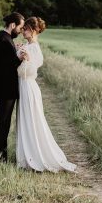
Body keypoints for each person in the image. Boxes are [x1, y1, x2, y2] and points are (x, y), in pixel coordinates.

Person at [16, 16, 77, 172]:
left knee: (32, 120)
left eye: (26, 28)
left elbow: (28, 71)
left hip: (28, 85)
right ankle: (26, 156)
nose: (23, 31)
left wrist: (25, 59)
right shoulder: (28, 46)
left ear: (34, 30)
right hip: (24, 86)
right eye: (23, 28)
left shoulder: (34, 48)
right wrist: (18, 53)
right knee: (25, 120)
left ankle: (35, 156)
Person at [0, 12, 27, 161]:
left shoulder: (4, 39)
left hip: (5, 89)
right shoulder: (3, 41)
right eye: (20, 27)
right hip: (5, 90)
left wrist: (15, 51)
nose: (21, 30)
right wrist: (18, 57)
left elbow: (7, 59)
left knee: (4, 124)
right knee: (3, 125)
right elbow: (7, 67)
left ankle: (0, 156)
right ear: (13, 25)